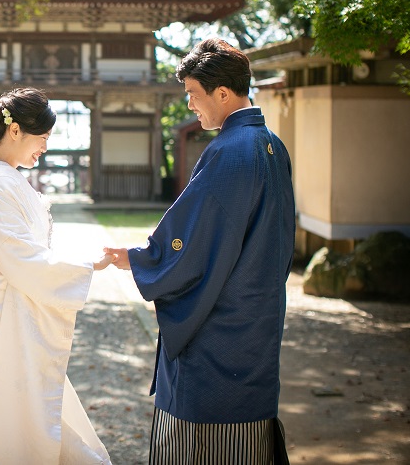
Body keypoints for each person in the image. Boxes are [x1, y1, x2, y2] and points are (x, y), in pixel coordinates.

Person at [107, 39, 295, 464]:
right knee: (248, 431)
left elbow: (192, 240)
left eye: (193, 94)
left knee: (204, 435)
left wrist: (141, 258)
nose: (190, 104)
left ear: (222, 94)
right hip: (257, 313)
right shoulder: (270, 145)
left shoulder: (229, 152)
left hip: (218, 322)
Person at [0, 87, 115, 465]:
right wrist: (86, 265)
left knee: (20, 422)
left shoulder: (0, 182)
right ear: (16, 130)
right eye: (43, 138)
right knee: (18, 425)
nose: (45, 148)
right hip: (6, 326)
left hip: (7, 321)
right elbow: (20, 258)